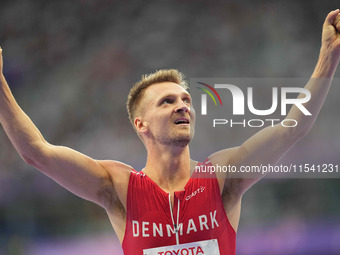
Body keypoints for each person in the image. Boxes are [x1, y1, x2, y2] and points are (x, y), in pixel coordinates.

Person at [1, 9, 340, 255]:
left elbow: (291, 130)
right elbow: (37, 153)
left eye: (186, 99)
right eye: (167, 101)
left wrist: (328, 56)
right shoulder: (118, 187)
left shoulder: (221, 176)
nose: (183, 106)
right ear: (141, 124)